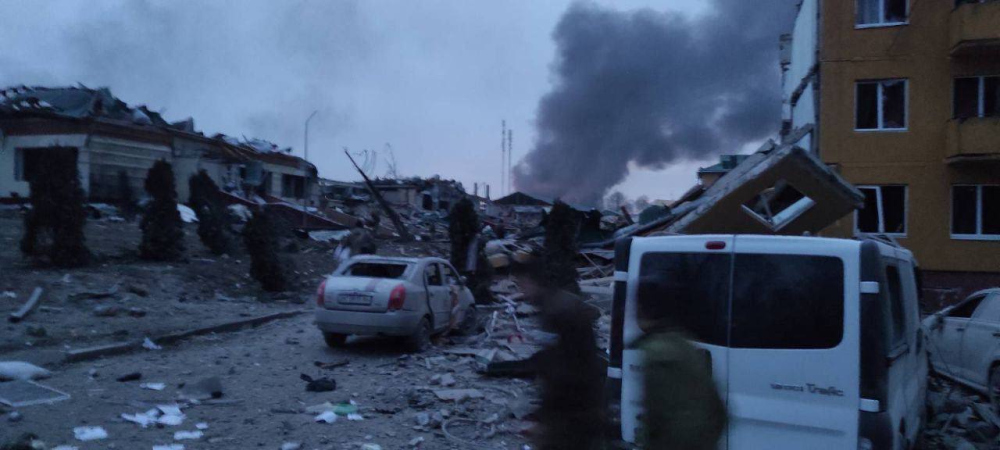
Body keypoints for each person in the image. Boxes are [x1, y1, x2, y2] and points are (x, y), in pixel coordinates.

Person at [511, 257, 605, 450]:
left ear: (532, 280)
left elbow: (561, 370)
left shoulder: (557, 311)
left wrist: (544, 418)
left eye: (521, 284)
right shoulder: (561, 301)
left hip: (573, 410)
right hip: (583, 402)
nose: (521, 291)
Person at [631, 278, 727, 450]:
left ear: (640, 309)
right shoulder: (684, 344)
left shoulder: (657, 353)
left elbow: (655, 418)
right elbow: (718, 410)